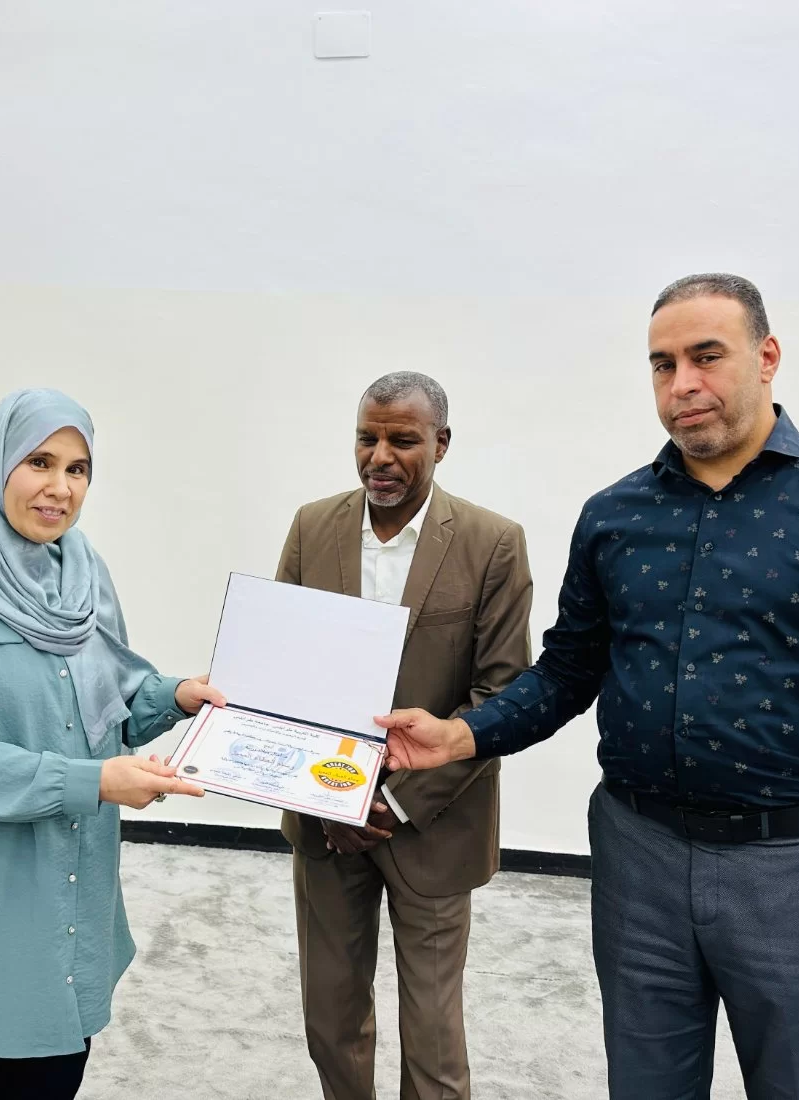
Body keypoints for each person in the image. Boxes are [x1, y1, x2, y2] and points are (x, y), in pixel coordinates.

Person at [375, 275, 799, 1100]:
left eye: (705, 357)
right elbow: (567, 670)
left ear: (766, 358)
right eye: (662, 365)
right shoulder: (614, 515)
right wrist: (462, 733)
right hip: (638, 860)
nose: (681, 384)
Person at [0, 388, 224, 1100]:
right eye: (39, 462)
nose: (60, 487)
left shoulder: (81, 571)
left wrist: (179, 695)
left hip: (70, 878)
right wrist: (94, 783)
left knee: (53, 1078)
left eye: (77, 469)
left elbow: (109, 704)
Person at [276, 371, 534, 1100]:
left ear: (441, 444)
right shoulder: (311, 527)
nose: (380, 457)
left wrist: (395, 801)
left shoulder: (492, 543)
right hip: (324, 821)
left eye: (402, 440)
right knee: (329, 1018)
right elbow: (279, 672)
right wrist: (331, 798)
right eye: (367, 438)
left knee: (433, 1038)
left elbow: (501, 694)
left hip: (434, 823)